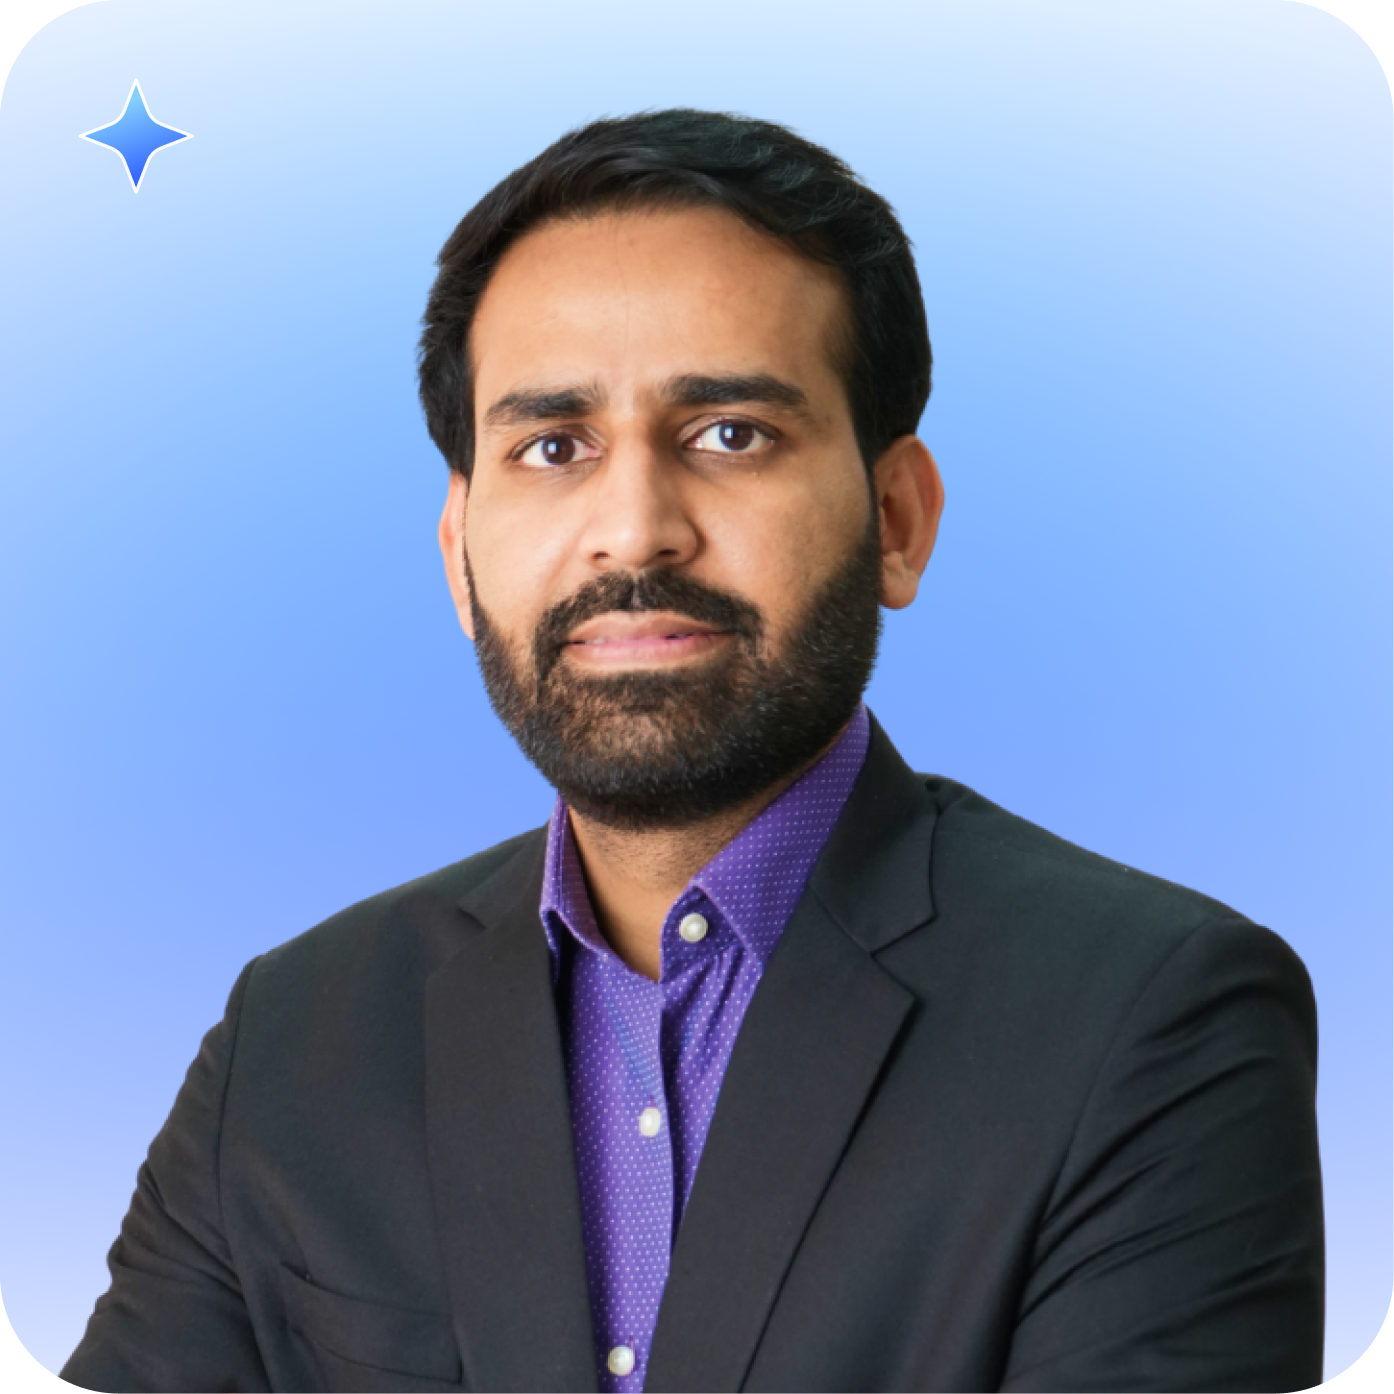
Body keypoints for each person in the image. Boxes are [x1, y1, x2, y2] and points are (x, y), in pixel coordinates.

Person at [61, 109, 1324, 1394]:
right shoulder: (292, 1040)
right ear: (457, 552)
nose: (633, 529)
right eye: (552, 447)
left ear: (895, 520)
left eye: (730, 433)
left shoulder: (1149, 1018)